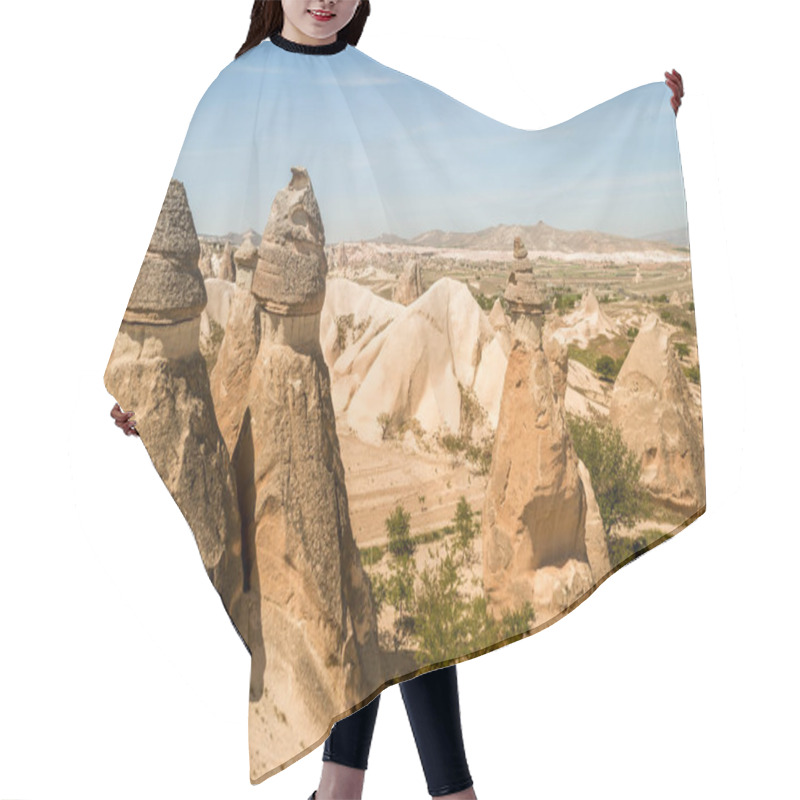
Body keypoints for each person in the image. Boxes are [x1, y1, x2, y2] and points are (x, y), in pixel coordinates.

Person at [109, 2, 685, 798]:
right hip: (303, 405)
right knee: (349, 599)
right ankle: (404, 791)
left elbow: (500, 161)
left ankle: (365, 789)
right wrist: (150, 378)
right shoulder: (235, 90)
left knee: (386, 596)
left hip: (331, 408)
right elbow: (171, 268)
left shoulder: (377, 84)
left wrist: (640, 120)